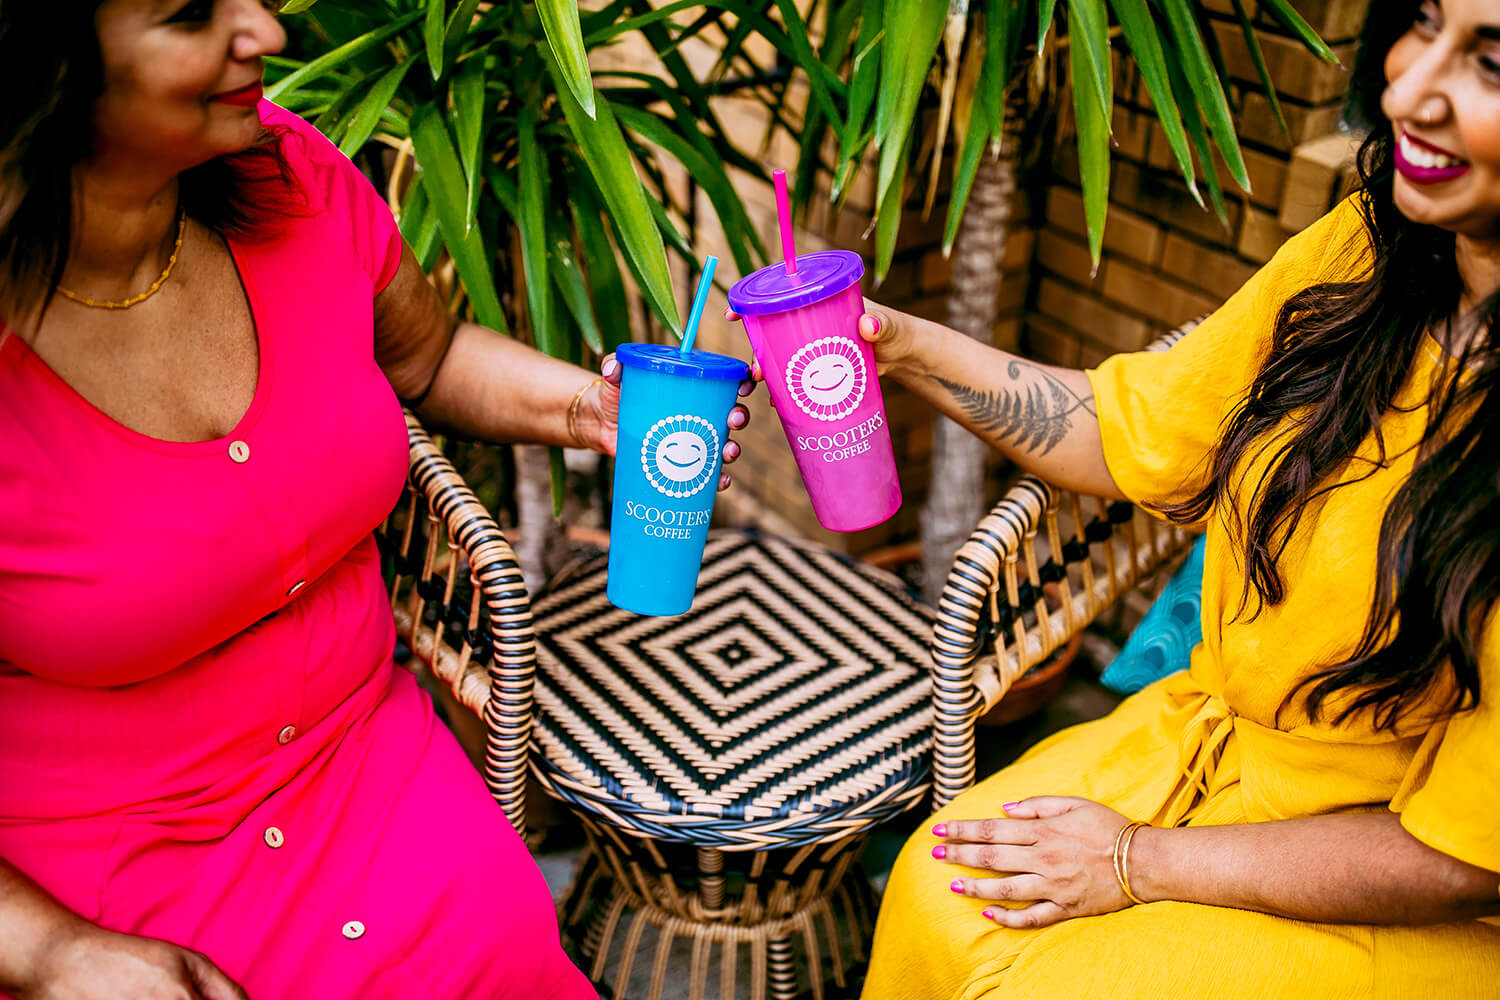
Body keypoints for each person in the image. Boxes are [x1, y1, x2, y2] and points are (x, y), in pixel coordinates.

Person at [0, 1, 751, 998]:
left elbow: (429, 354)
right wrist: (51, 951)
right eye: (191, 14)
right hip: (94, 879)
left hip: (367, 771)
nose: (263, 27)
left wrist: (592, 411)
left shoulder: (291, 175)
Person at [826, 1, 1500, 995]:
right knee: (938, 887)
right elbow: (1137, 432)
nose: (1404, 92)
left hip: (1400, 867)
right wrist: (906, 347)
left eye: (1491, 62)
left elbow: (1464, 856)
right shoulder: (1372, 246)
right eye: (1423, 23)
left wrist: (1135, 861)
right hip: (1211, 739)